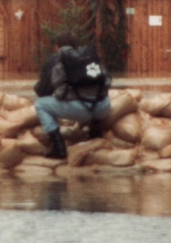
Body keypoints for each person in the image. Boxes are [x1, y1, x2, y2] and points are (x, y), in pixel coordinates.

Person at [33, 32, 112, 160]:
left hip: (78, 111)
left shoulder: (55, 60)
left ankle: (59, 147)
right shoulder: (90, 57)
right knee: (95, 95)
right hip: (103, 108)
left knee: (40, 104)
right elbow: (107, 81)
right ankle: (95, 133)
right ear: (76, 46)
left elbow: (42, 91)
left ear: (56, 47)